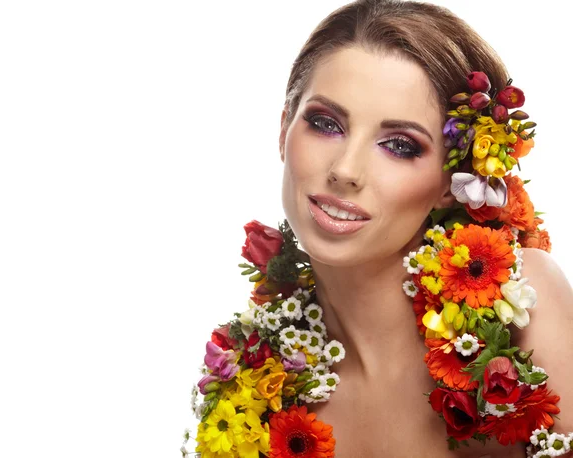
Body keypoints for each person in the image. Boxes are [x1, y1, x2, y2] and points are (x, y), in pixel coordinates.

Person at [185, 0, 573, 456]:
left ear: (453, 183)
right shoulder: (255, 384)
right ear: (284, 128)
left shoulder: (526, 305)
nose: (346, 170)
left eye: (399, 145)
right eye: (326, 123)